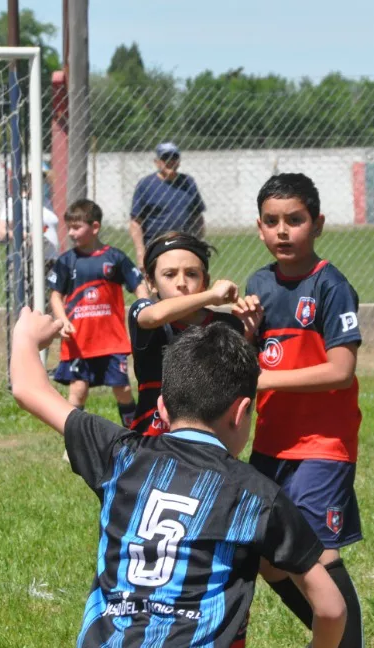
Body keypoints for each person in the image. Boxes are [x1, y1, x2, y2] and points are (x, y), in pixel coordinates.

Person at [10, 309, 347, 648]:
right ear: (245, 411)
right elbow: (329, 606)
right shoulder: (254, 492)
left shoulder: (123, 453)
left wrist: (28, 337)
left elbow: (27, 386)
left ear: (162, 409)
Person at [241, 172, 374, 648]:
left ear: (316, 224)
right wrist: (245, 335)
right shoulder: (258, 283)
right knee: (271, 560)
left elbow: (340, 370)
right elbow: (254, 359)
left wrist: (262, 379)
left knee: (319, 555)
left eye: (294, 220)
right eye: (272, 221)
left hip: (323, 443)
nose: (283, 231)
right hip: (272, 444)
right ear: (258, 227)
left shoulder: (330, 284)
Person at [127, 231, 260, 437]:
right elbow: (154, 316)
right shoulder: (144, 311)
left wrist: (248, 332)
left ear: (204, 280)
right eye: (169, 274)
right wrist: (211, 296)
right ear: (151, 282)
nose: (181, 282)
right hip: (152, 439)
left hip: (209, 440)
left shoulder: (226, 324)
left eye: (191, 274)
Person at [49, 199, 142, 429]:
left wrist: (145, 307)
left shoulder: (115, 258)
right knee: (78, 390)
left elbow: (138, 285)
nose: (71, 233)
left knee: (123, 389)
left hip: (111, 341)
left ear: (95, 227)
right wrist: (62, 320)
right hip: (80, 340)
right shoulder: (66, 262)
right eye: (69, 227)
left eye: (77, 227)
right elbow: (55, 296)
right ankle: (72, 444)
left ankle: (135, 436)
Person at [129, 142, 207, 271]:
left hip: (185, 246)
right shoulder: (146, 185)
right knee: (159, 287)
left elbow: (197, 217)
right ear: (157, 162)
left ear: (179, 161)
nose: (170, 161)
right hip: (156, 247)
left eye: (174, 157)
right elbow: (135, 222)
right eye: (165, 158)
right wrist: (140, 252)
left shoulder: (188, 183)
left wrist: (199, 244)